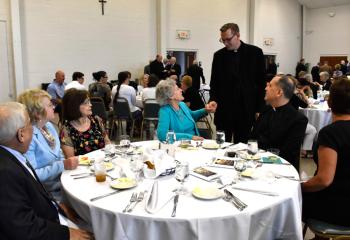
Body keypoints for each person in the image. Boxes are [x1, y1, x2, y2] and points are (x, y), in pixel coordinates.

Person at [0, 102, 92, 239]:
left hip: (51, 214)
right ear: (21, 135)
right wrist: (67, 234)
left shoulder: (12, 154)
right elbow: (22, 227)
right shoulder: (5, 173)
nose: (33, 128)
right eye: (29, 124)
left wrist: (57, 207)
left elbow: (30, 196)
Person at [302, 78, 350, 228]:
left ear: (329, 103)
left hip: (339, 206)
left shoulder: (330, 133)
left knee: (290, 198)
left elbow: (324, 180)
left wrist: (300, 186)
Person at [209, 23, 266, 143]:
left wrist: (259, 109)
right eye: (222, 40)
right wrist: (212, 100)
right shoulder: (219, 56)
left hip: (246, 110)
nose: (225, 43)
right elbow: (214, 83)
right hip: (224, 110)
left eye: (228, 39)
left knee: (242, 146)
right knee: (221, 146)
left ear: (238, 35)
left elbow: (261, 83)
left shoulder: (255, 53)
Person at [18, 89, 79, 199]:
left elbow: (59, 153)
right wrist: (62, 165)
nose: (54, 108)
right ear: (37, 113)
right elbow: (33, 175)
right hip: (48, 192)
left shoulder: (49, 126)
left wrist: (64, 164)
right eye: (50, 105)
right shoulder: (29, 138)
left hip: (62, 181)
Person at [250, 75, 308, 171]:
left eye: (270, 86)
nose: (265, 88)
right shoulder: (266, 110)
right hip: (256, 164)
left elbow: (287, 154)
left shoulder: (298, 120)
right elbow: (253, 138)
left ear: (279, 92)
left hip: (280, 170)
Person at [60, 89, 111, 158]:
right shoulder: (66, 130)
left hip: (103, 164)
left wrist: (110, 154)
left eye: (89, 101)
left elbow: (107, 142)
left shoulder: (96, 120)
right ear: (74, 106)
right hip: (82, 167)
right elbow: (71, 160)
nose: (90, 105)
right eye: (86, 103)